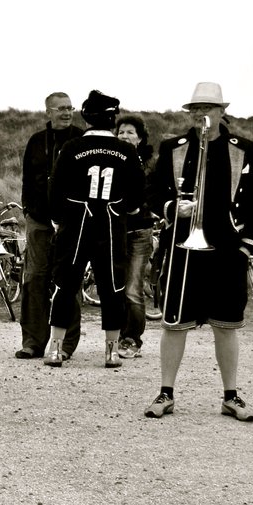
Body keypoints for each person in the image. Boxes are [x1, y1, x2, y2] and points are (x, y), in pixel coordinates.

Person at [145, 82, 253, 422]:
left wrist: (247, 247)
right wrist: (171, 207)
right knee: (174, 323)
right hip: (183, 249)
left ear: (222, 112)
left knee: (226, 325)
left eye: (208, 109)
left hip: (227, 249)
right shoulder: (174, 148)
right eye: (195, 109)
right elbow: (152, 191)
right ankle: (166, 392)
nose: (201, 115)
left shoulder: (245, 149)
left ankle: (231, 395)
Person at [44, 90, 146, 368]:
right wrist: (124, 208)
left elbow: (55, 191)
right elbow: (137, 197)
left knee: (65, 285)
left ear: (86, 117)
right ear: (112, 119)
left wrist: (58, 219)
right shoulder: (127, 151)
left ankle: (54, 348)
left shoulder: (72, 147)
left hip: (75, 224)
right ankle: (111, 351)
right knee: (112, 287)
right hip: (111, 226)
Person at [15, 92, 84, 359]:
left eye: (70, 108)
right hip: (39, 221)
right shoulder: (36, 141)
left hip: (71, 222)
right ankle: (33, 341)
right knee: (34, 279)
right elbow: (26, 180)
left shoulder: (80, 139)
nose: (67, 112)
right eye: (61, 108)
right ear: (48, 112)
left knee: (68, 282)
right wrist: (28, 210)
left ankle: (65, 345)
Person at [115, 114, 159, 357]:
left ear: (140, 137)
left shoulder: (150, 163)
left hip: (140, 230)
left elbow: (151, 193)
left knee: (133, 288)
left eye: (130, 132)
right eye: (121, 132)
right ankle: (118, 336)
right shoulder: (112, 159)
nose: (125, 136)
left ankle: (133, 339)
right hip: (115, 229)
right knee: (116, 287)